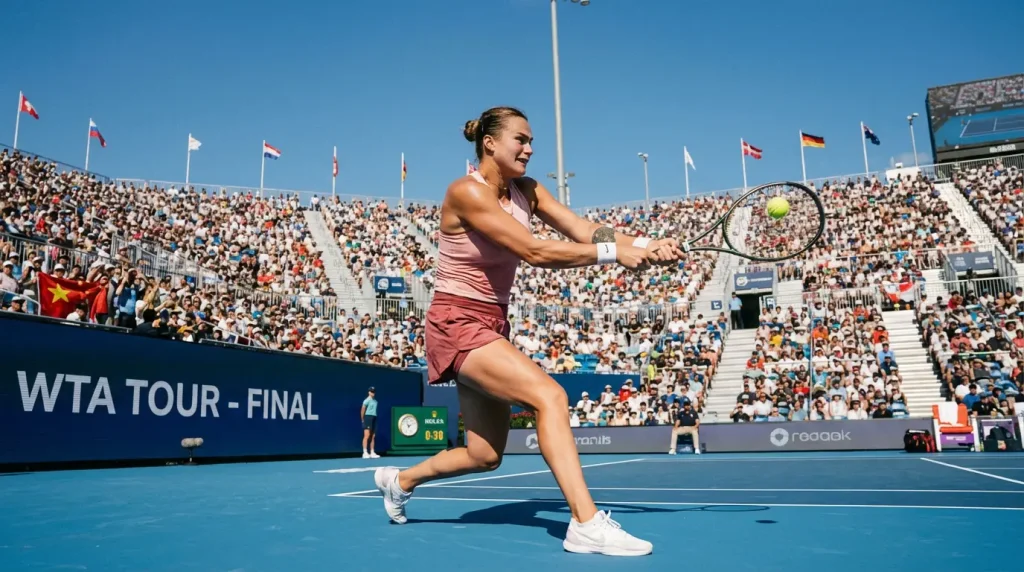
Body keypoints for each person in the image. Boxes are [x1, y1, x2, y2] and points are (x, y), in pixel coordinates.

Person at [373, 106, 683, 557]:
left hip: (492, 321)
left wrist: (643, 244)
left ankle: (399, 481)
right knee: (550, 396)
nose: (530, 148)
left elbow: (581, 228)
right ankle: (585, 523)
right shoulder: (466, 193)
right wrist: (614, 255)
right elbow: (533, 250)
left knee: (484, 455)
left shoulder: (529, 191)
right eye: (521, 139)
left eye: (531, 140)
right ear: (490, 143)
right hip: (456, 321)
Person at [361, 387, 379, 459]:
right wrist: (363, 419)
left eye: (374, 392)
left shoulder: (375, 401)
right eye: (371, 391)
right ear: (369, 392)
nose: (373, 393)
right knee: (367, 435)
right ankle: (365, 452)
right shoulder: (366, 401)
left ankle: (372, 452)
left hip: (374, 417)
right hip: (367, 417)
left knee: (373, 436)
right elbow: (362, 410)